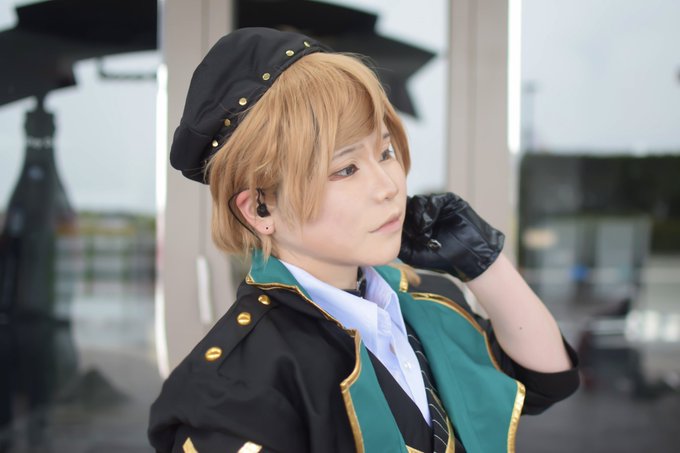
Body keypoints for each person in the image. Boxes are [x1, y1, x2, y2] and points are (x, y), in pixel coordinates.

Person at [148, 27, 579, 453]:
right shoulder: (232, 387)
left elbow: (547, 380)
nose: (388, 186)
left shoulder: (424, 301)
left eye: (385, 152)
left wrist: (483, 263)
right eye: (346, 169)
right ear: (261, 208)